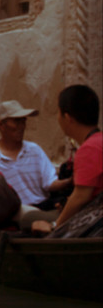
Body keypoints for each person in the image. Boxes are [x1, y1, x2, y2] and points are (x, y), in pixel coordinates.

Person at [0, 100, 70, 208]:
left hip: (43, 206)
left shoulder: (34, 150)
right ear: (1, 125)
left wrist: (70, 181)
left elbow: (49, 183)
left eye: (23, 121)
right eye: (16, 121)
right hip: (15, 212)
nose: (22, 126)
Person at [51, 85, 102, 232]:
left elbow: (81, 197)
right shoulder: (98, 142)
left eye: (58, 112)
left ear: (68, 118)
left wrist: (55, 226)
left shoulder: (89, 148)